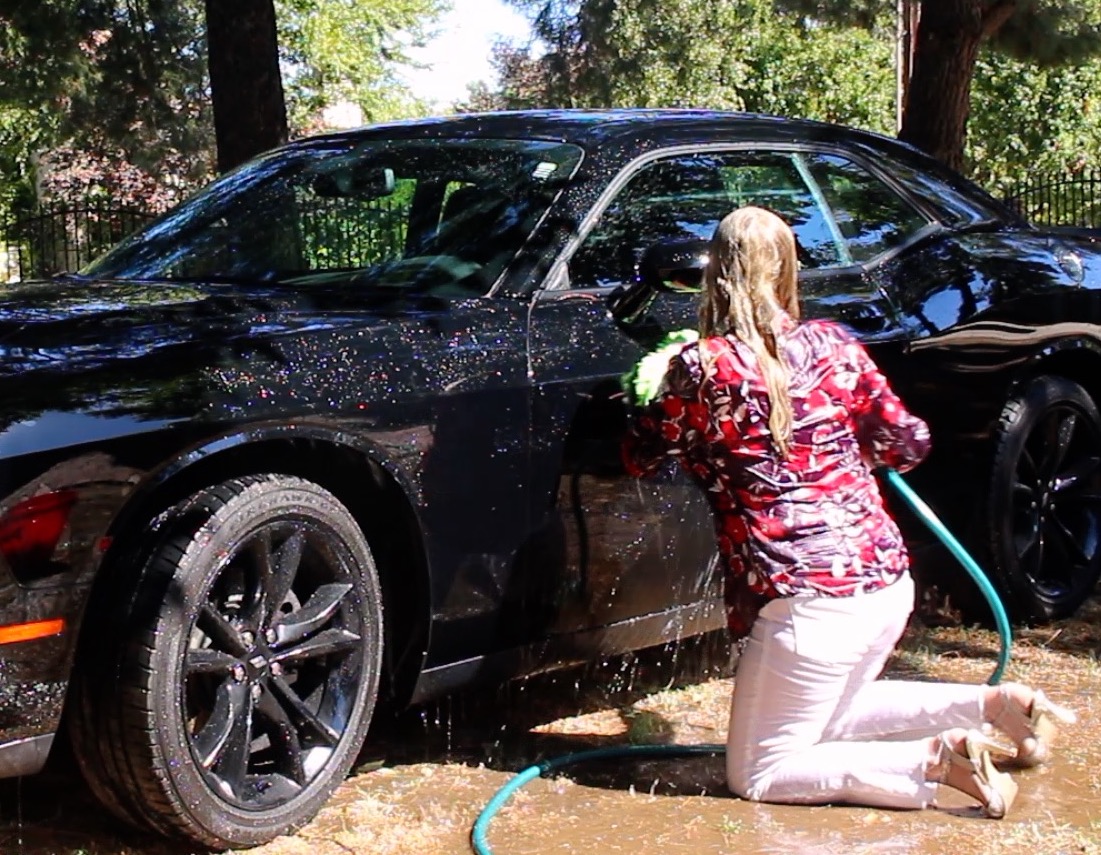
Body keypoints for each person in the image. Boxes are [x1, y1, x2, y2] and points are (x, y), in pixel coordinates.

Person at [621, 206, 1076, 818]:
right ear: (788, 272)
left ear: (716, 275)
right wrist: (843, 436)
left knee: (761, 772)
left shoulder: (701, 369)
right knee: (832, 711)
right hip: (883, 583)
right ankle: (998, 708)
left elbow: (642, 457)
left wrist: (651, 384)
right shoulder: (835, 345)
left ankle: (937, 760)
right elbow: (907, 443)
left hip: (804, 601)